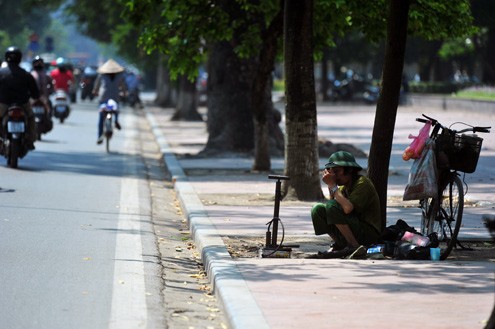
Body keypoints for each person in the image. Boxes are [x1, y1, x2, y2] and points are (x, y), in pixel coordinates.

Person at [309, 151, 382, 259]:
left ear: (349, 170)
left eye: (337, 171)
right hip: (354, 229)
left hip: (368, 233)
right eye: (331, 172)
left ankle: (354, 246)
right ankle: (340, 243)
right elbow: (332, 210)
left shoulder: (363, 183)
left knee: (331, 205)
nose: (334, 175)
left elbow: (347, 208)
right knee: (318, 209)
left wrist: (333, 185)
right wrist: (331, 186)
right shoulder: (343, 188)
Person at [0, 46, 39, 150]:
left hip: (3, 104)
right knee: (31, 118)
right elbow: (35, 93)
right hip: (22, 104)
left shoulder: (1, 73)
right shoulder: (26, 74)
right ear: (20, 58)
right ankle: (30, 140)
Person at [92, 59, 127, 144]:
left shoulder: (101, 76)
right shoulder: (120, 77)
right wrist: (124, 93)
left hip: (104, 99)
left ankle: (100, 136)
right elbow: (123, 87)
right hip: (115, 99)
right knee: (116, 110)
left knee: (101, 117)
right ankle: (116, 121)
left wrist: (95, 92)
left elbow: (96, 87)